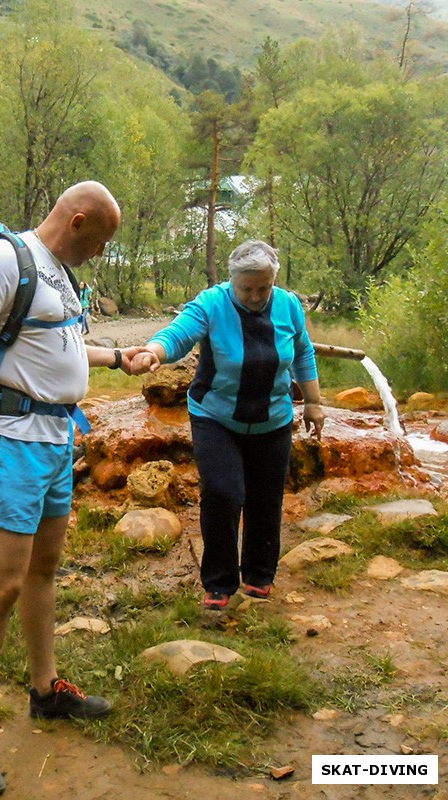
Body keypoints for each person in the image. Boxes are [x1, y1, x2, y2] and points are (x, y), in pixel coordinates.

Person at [0, 181, 146, 797]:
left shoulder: (57, 272)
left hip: (55, 441)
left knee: (43, 571)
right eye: (103, 241)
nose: (103, 254)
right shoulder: (6, 258)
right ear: (78, 220)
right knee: (1, 584)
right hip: (7, 442)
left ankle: (44, 688)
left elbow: (54, 340)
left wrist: (115, 357)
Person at [131, 239, 324, 611]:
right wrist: (154, 351)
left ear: (273, 281)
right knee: (223, 492)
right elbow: (179, 334)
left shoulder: (288, 306)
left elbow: (302, 351)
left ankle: (259, 575)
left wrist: (314, 402)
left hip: (274, 418)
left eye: (263, 288)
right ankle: (218, 581)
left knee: (265, 498)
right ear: (232, 281)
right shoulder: (212, 303)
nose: (255, 296)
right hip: (216, 417)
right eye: (246, 289)